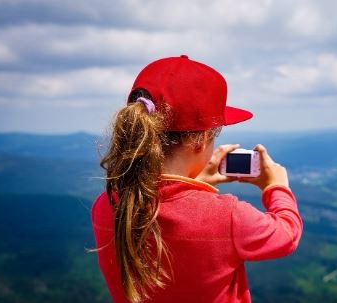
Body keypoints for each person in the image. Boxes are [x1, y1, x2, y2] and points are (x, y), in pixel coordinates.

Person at [91, 55, 303, 303]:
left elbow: (166, 204)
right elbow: (287, 234)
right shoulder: (229, 216)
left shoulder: (107, 205)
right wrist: (276, 187)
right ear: (201, 141)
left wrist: (197, 180)